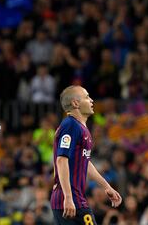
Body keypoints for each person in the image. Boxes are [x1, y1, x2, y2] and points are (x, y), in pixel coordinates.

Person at [50, 85, 122, 224]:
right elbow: (61, 160)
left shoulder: (81, 128)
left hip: (74, 198)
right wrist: (68, 197)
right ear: (75, 103)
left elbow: (85, 162)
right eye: (87, 97)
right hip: (71, 200)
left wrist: (106, 186)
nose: (91, 100)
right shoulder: (71, 125)